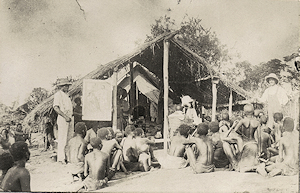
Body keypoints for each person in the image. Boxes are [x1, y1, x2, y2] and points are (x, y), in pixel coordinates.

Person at [53, 78, 74, 164]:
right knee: (62, 138)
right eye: (66, 86)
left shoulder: (67, 96)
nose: (68, 87)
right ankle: (61, 158)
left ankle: (68, 157)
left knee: (69, 138)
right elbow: (56, 107)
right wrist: (65, 116)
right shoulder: (58, 95)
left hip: (70, 118)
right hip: (63, 118)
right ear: (63, 86)